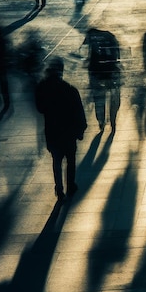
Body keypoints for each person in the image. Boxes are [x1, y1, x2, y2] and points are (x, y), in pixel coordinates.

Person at [35, 57, 87, 201]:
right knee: (70, 160)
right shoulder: (69, 90)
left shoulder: (42, 88)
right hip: (69, 132)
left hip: (52, 131)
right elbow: (79, 111)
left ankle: (59, 188)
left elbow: (40, 108)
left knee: (56, 160)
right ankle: (70, 185)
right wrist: (81, 130)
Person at [82, 27, 122, 131]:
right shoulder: (110, 36)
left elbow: (85, 51)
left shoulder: (91, 36)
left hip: (96, 73)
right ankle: (113, 120)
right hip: (110, 71)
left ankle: (101, 121)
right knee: (114, 99)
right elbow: (117, 53)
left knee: (99, 99)